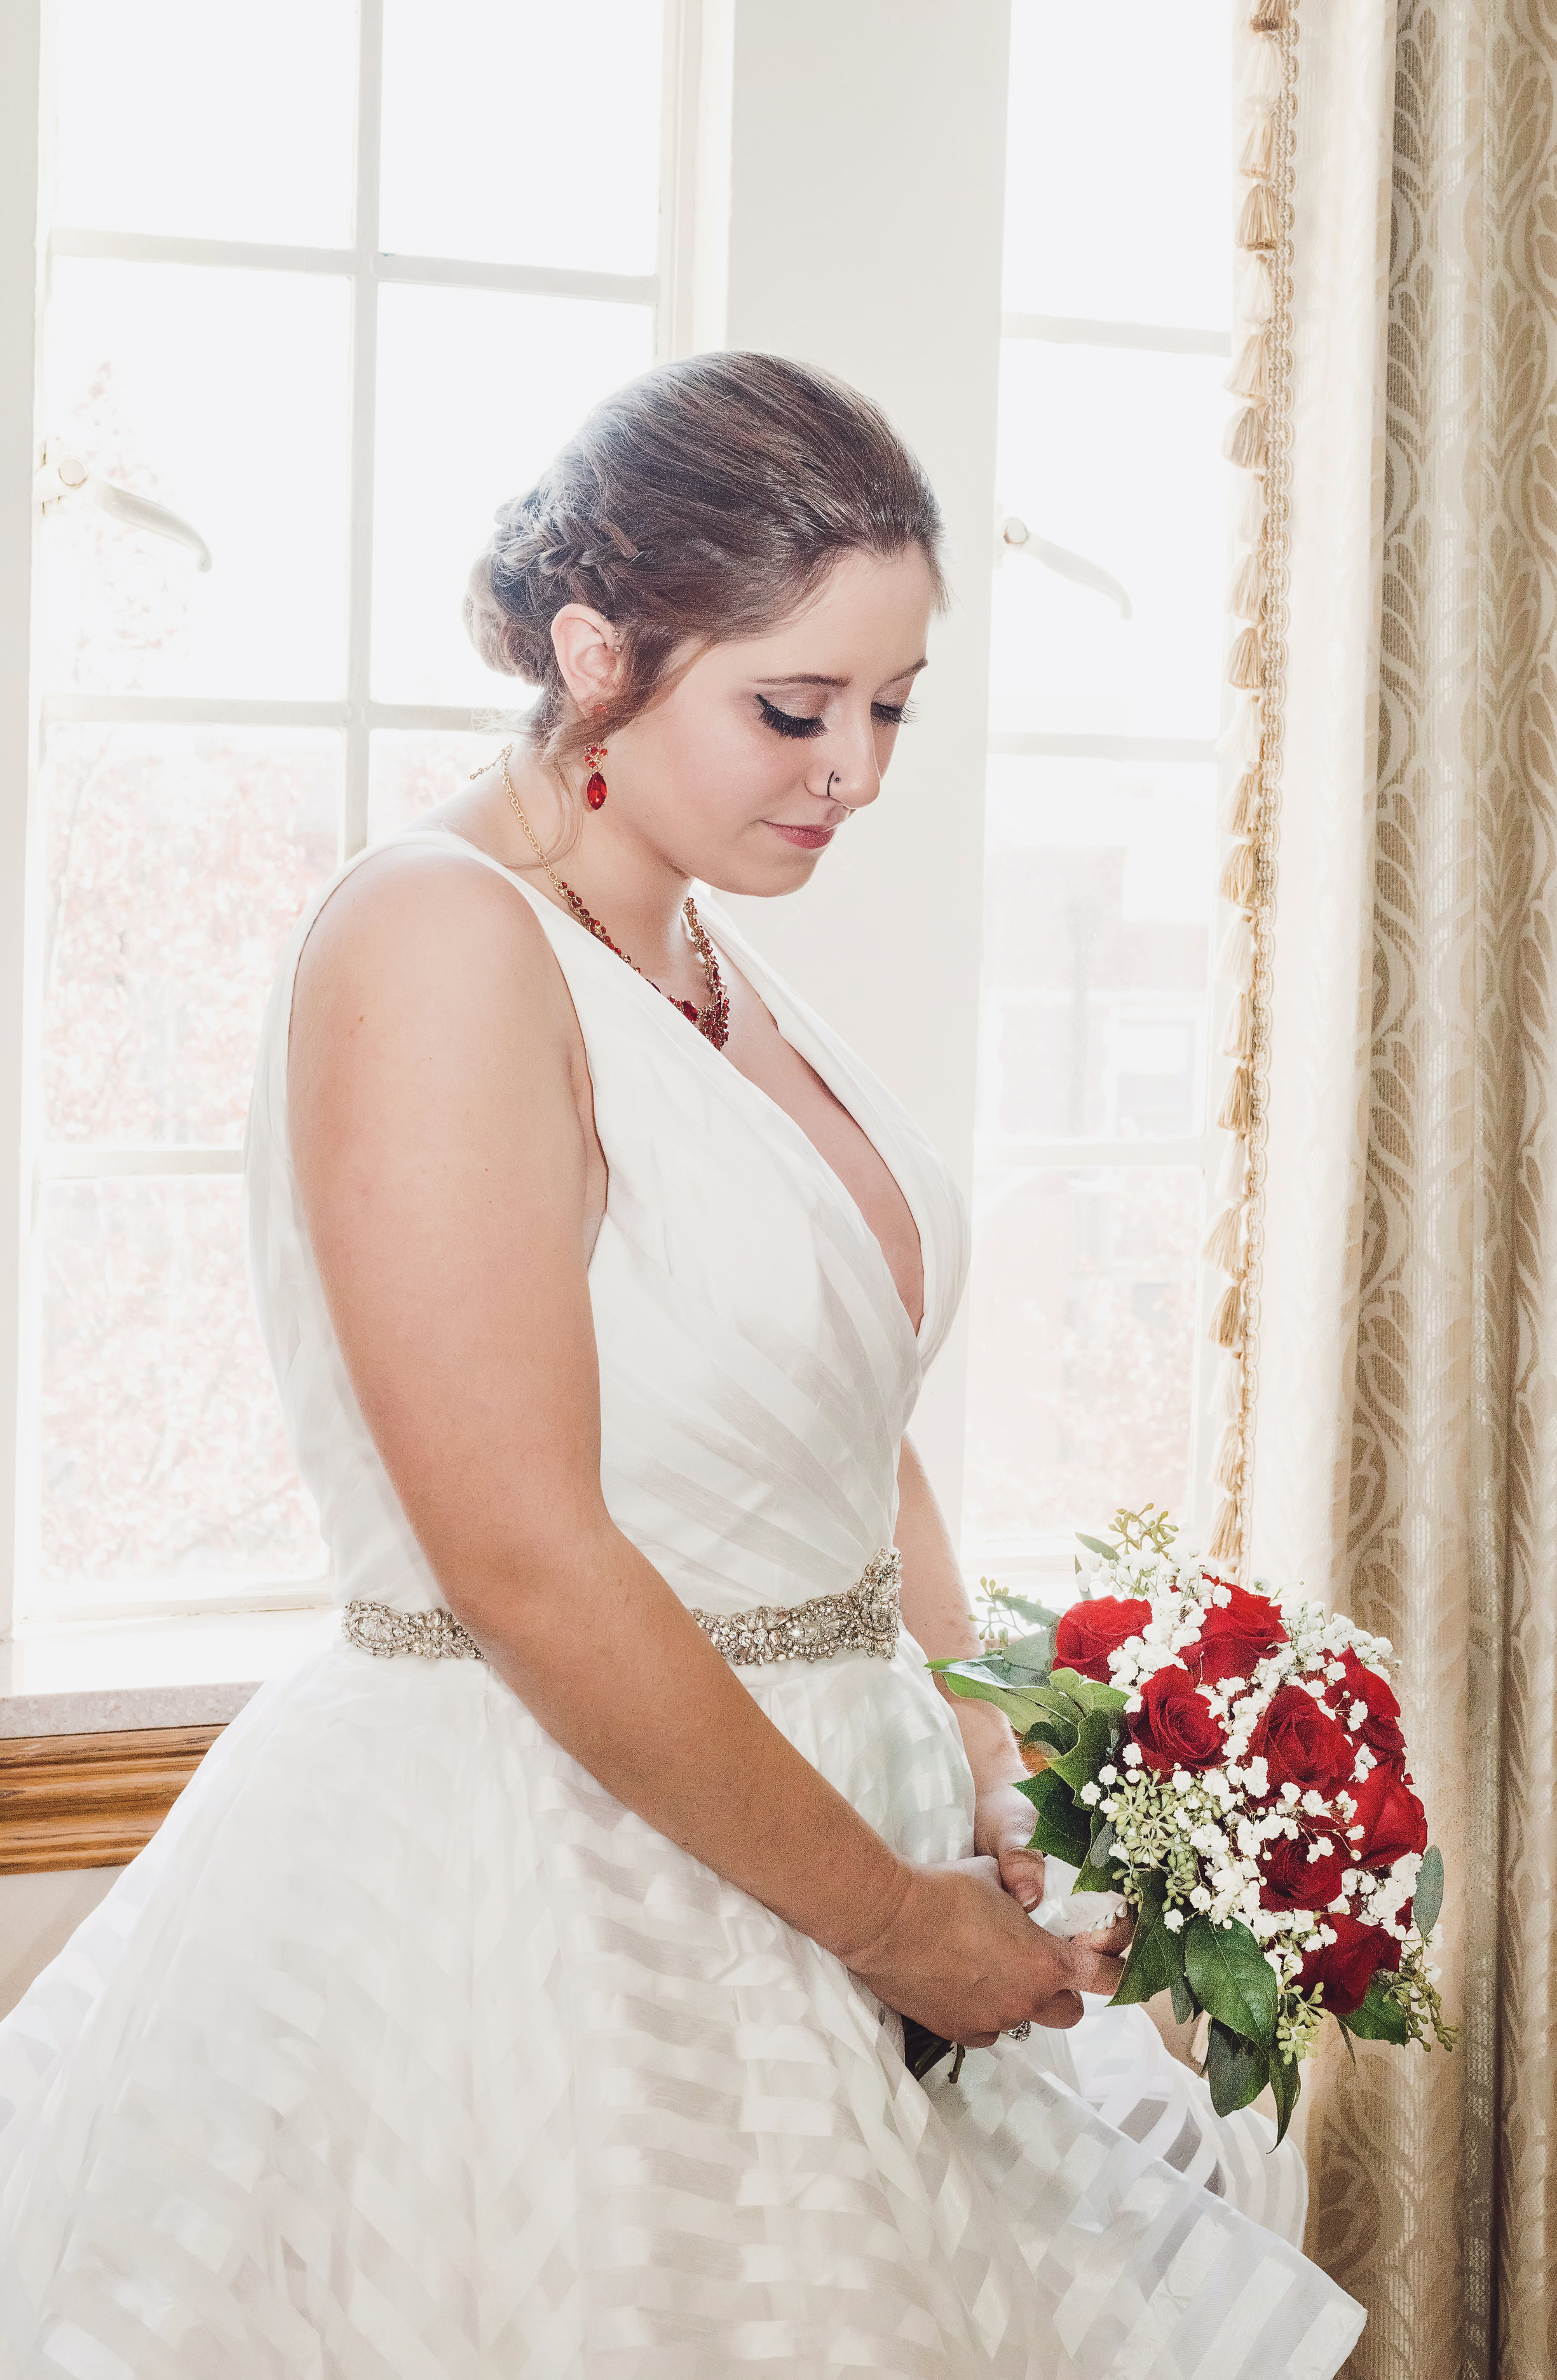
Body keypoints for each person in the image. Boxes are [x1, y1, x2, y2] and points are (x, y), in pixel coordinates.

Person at [0, 353, 1363, 2377]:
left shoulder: (710, 954)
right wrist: (897, 1928)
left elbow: (848, 1425)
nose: (857, 772)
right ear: (596, 649)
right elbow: (521, 1555)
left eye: (892, 707)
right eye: (791, 707)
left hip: (834, 1848)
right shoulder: (438, 938)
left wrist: (995, 1760)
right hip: (545, 1885)